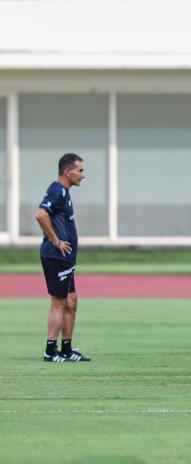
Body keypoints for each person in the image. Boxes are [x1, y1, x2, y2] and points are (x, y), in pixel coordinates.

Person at [35, 153, 89, 362]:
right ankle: (50, 351)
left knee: (72, 301)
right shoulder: (57, 191)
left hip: (66, 259)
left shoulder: (64, 193)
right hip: (56, 257)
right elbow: (40, 215)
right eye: (81, 170)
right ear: (68, 171)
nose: (83, 175)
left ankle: (66, 349)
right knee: (59, 302)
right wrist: (56, 241)